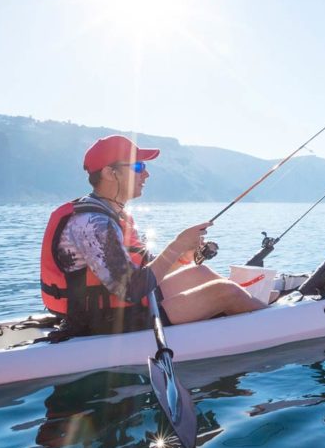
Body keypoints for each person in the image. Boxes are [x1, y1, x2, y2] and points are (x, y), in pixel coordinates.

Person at [40, 134, 264, 336]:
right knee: (226, 292)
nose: (146, 173)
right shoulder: (93, 223)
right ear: (110, 172)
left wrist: (183, 254)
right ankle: (267, 320)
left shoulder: (113, 213)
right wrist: (176, 245)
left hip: (118, 305)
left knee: (200, 272)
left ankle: (258, 307)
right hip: (104, 319)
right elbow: (131, 289)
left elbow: (145, 270)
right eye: (137, 166)